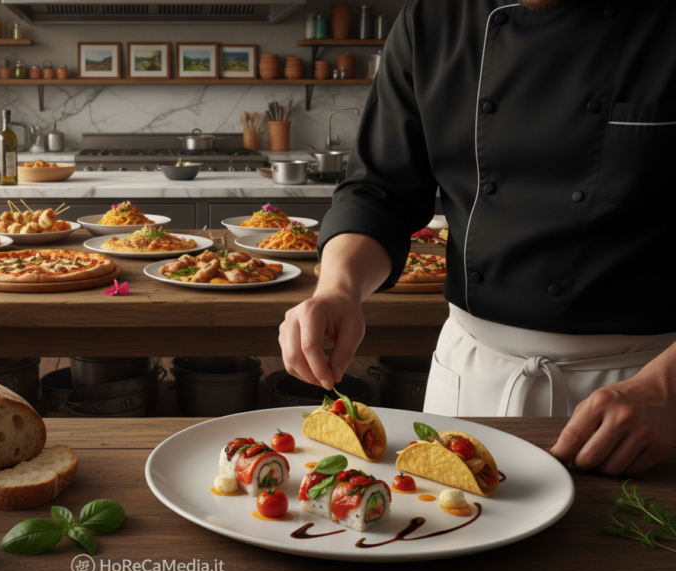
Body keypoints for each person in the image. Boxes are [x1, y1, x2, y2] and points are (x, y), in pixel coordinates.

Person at [279, 0, 676, 476]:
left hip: (645, 398)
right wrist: (339, 288)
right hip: (471, 379)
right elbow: (381, 190)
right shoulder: (433, 19)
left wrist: (668, 388)